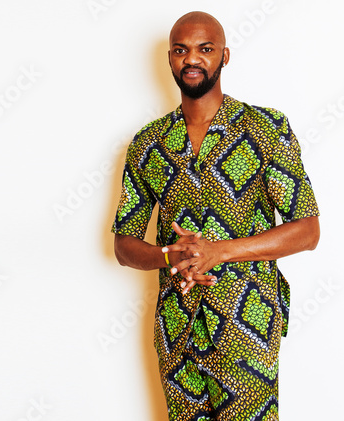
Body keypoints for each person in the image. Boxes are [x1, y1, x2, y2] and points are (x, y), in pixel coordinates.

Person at [111, 10, 320, 421]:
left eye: (205, 49)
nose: (192, 59)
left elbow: (307, 230)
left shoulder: (265, 129)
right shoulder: (148, 143)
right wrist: (171, 256)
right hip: (177, 325)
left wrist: (218, 251)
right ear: (170, 59)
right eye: (181, 50)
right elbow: (123, 245)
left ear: (224, 56)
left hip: (246, 325)